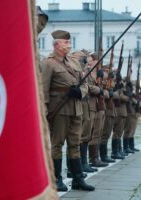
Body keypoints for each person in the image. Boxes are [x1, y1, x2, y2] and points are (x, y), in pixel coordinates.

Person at [41, 30, 94, 191]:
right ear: (56, 44)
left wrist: (80, 92)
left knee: (74, 144)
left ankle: (77, 178)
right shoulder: (49, 63)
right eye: (65, 42)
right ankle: (56, 179)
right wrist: (45, 111)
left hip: (76, 109)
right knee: (57, 144)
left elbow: (84, 83)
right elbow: (43, 89)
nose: (69, 45)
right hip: (59, 110)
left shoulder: (73, 62)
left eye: (69, 42)